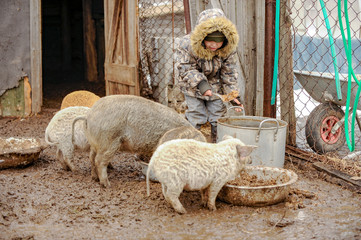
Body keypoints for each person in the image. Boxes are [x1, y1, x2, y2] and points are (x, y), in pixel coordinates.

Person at [175, 8, 243, 142]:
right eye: (210, 40)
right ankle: (190, 143)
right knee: (196, 115)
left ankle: (217, 144)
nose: (214, 45)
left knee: (218, 115)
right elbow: (186, 68)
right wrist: (202, 84)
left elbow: (228, 72)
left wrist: (233, 95)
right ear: (202, 37)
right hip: (192, 86)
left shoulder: (227, 49)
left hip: (215, 87)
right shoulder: (187, 45)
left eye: (219, 41)